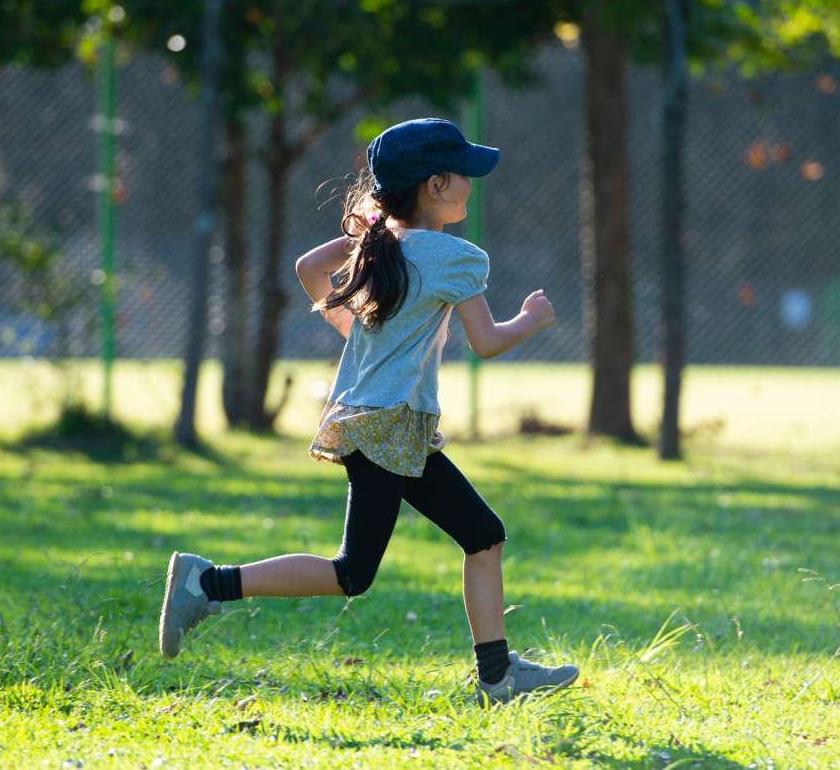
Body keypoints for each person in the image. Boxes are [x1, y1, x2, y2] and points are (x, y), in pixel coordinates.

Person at [158, 117, 578, 705]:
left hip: (375, 423)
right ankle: (207, 584)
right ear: (436, 185)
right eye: (464, 176)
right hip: (391, 426)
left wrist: (354, 288)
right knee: (353, 571)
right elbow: (487, 341)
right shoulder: (455, 257)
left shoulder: (379, 248)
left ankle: (496, 676)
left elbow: (309, 269)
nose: (470, 187)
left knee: (483, 535)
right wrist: (532, 320)